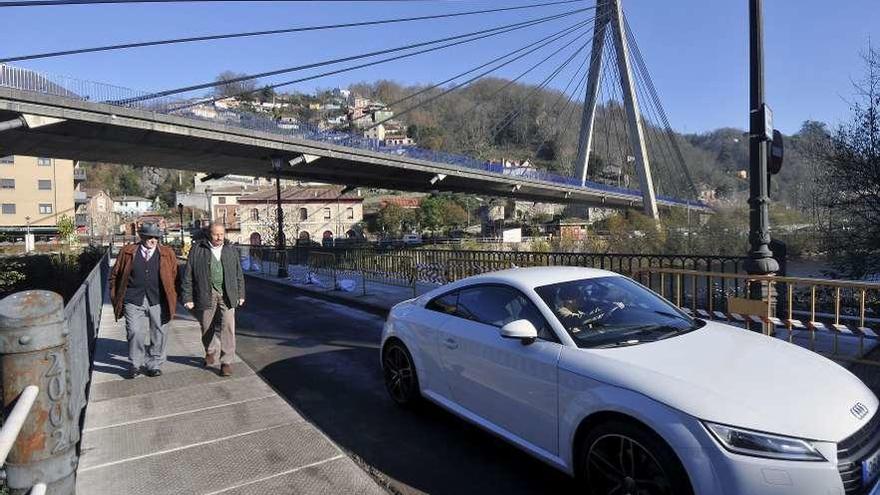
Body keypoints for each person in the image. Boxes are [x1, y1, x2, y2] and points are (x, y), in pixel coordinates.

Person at [109, 223, 179, 379]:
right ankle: (135, 364)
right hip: (133, 299)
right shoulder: (127, 252)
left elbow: (174, 275)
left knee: (159, 333)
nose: (152, 240)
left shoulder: (167, 253)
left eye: (155, 237)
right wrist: (115, 296)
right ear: (142, 237)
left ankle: (154, 364)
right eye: (149, 237)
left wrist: (174, 295)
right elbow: (115, 275)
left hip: (159, 299)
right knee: (134, 331)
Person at [181, 223, 245, 377]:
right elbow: (188, 275)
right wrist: (188, 297)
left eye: (222, 234)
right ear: (209, 234)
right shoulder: (198, 250)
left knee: (228, 327)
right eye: (216, 234)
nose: (219, 237)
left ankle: (226, 362)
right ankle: (210, 351)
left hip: (228, 294)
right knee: (206, 325)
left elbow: (239, 274)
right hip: (206, 293)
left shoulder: (231, 250)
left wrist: (241, 294)